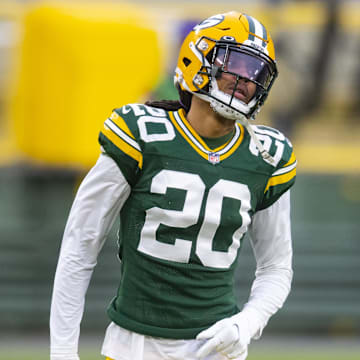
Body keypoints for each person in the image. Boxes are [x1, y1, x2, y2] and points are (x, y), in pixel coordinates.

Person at [50, 11, 296, 360]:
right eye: (236, 65)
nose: (246, 80)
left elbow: (276, 266)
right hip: (134, 347)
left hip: (216, 348)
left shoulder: (266, 156)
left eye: (256, 72)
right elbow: (81, 243)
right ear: (198, 59)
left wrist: (247, 322)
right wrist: (62, 352)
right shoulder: (142, 134)